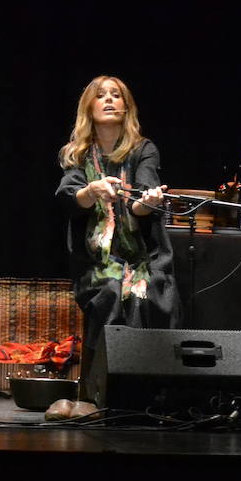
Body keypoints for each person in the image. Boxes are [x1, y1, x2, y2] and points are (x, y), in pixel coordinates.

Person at [55, 76, 175, 396]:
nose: (109, 100)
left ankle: (144, 392)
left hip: (143, 258)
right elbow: (69, 198)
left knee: (144, 292)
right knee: (109, 289)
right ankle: (100, 392)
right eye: (101, 95)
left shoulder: (143, 150)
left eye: (116, 95)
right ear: (89, 107)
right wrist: (92, 191)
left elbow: (141, 203)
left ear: (126, 107)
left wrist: (147, 203)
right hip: (95, 262)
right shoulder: (77, 154)